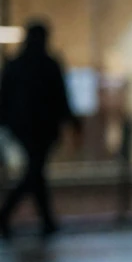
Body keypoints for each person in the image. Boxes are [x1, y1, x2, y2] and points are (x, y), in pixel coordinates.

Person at [0, 20, 80, 239]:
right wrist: (71, 122)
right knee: (35, 172)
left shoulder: (17, 64)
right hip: (41, 128)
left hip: (24, 127)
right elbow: (61, 97)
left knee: (36, 172)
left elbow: (5, 97)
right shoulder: (47, 64)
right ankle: (14, 216)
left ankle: (45, 220)